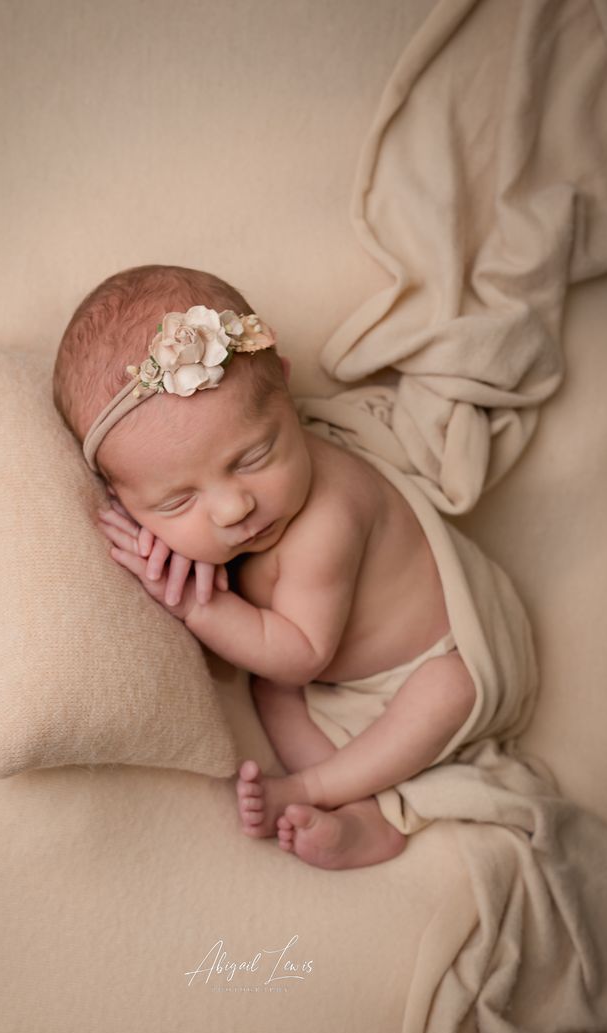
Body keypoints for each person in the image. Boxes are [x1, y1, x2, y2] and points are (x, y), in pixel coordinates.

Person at [53, 263, 477, 871]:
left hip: (427, 656)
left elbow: (302, 653)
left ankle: (320, 790)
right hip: (331, 674)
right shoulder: (209, 497)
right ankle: (364, 811)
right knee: (272, 692)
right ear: (123, 498)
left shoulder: (325, 521)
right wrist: (163, 544)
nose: (234, 508)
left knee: (449, 690)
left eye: (254, 456)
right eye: (178, 500)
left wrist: (199, 604)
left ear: (283, 386)